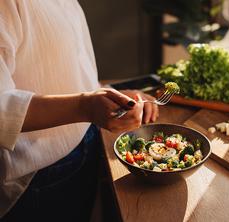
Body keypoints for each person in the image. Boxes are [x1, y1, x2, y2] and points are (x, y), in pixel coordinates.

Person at [0, 1, 159, 221]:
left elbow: (60, 65)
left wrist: (110, 93)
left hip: (87, 144)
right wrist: (84, 106)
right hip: (40, 175)